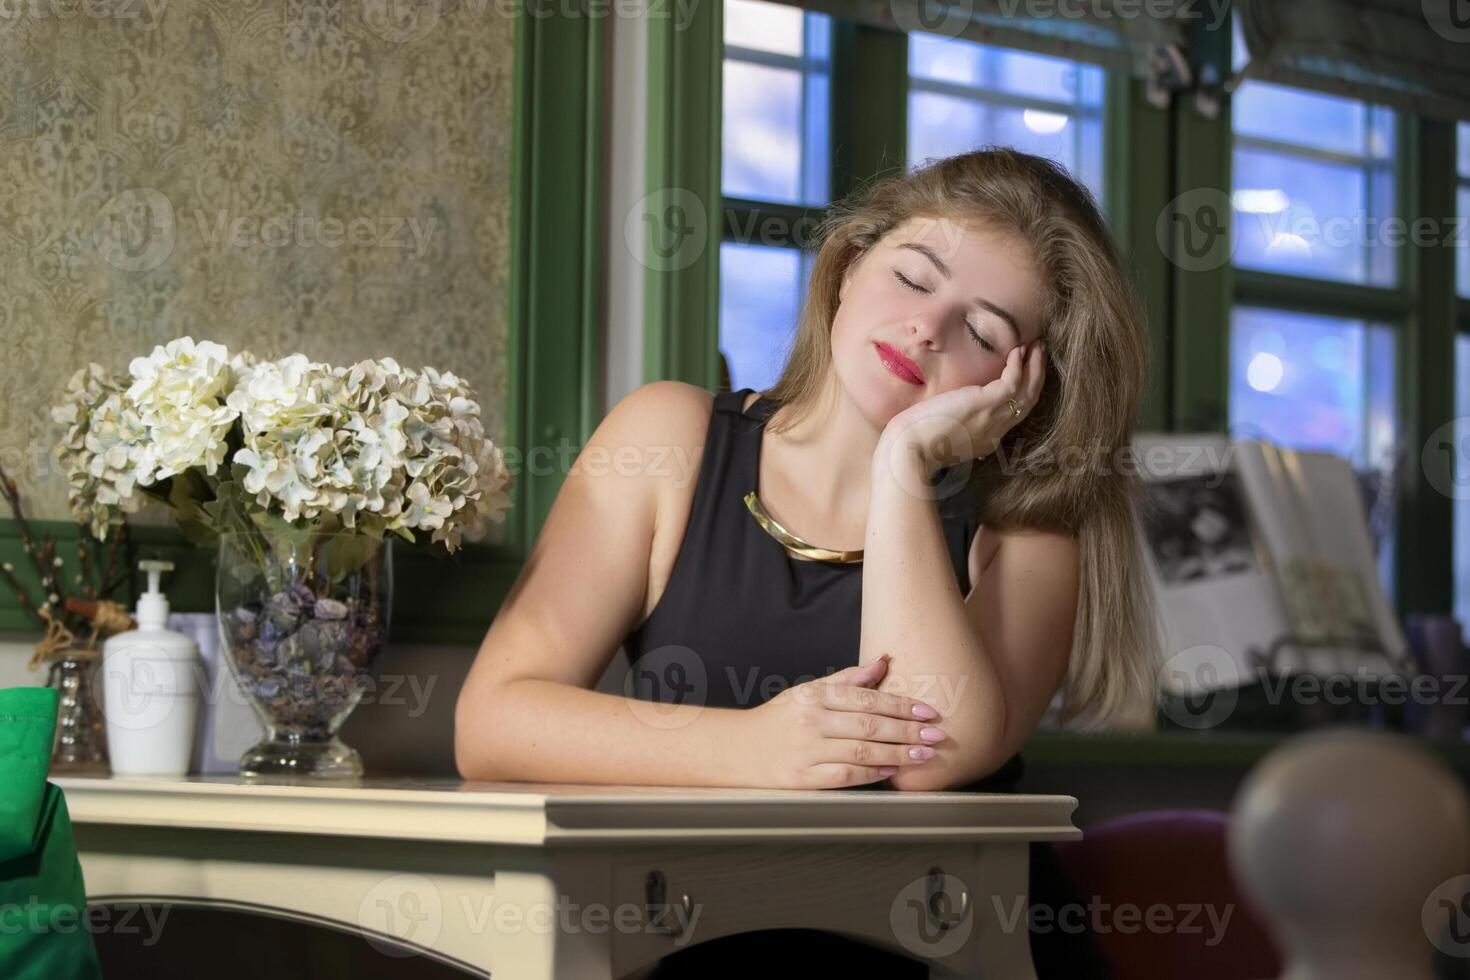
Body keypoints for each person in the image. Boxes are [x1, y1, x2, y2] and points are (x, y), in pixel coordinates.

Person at [455, 147, 1161, 977]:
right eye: (913, 277)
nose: (927, 328)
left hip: (952, 953)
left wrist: (902, 464)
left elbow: (930, 757)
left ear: (1020, 387)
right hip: (693, 942)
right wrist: (753, 749)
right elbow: (492, 722)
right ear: (850, 264)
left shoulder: (1028, 524)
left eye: (980, 331)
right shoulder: (664, 438)